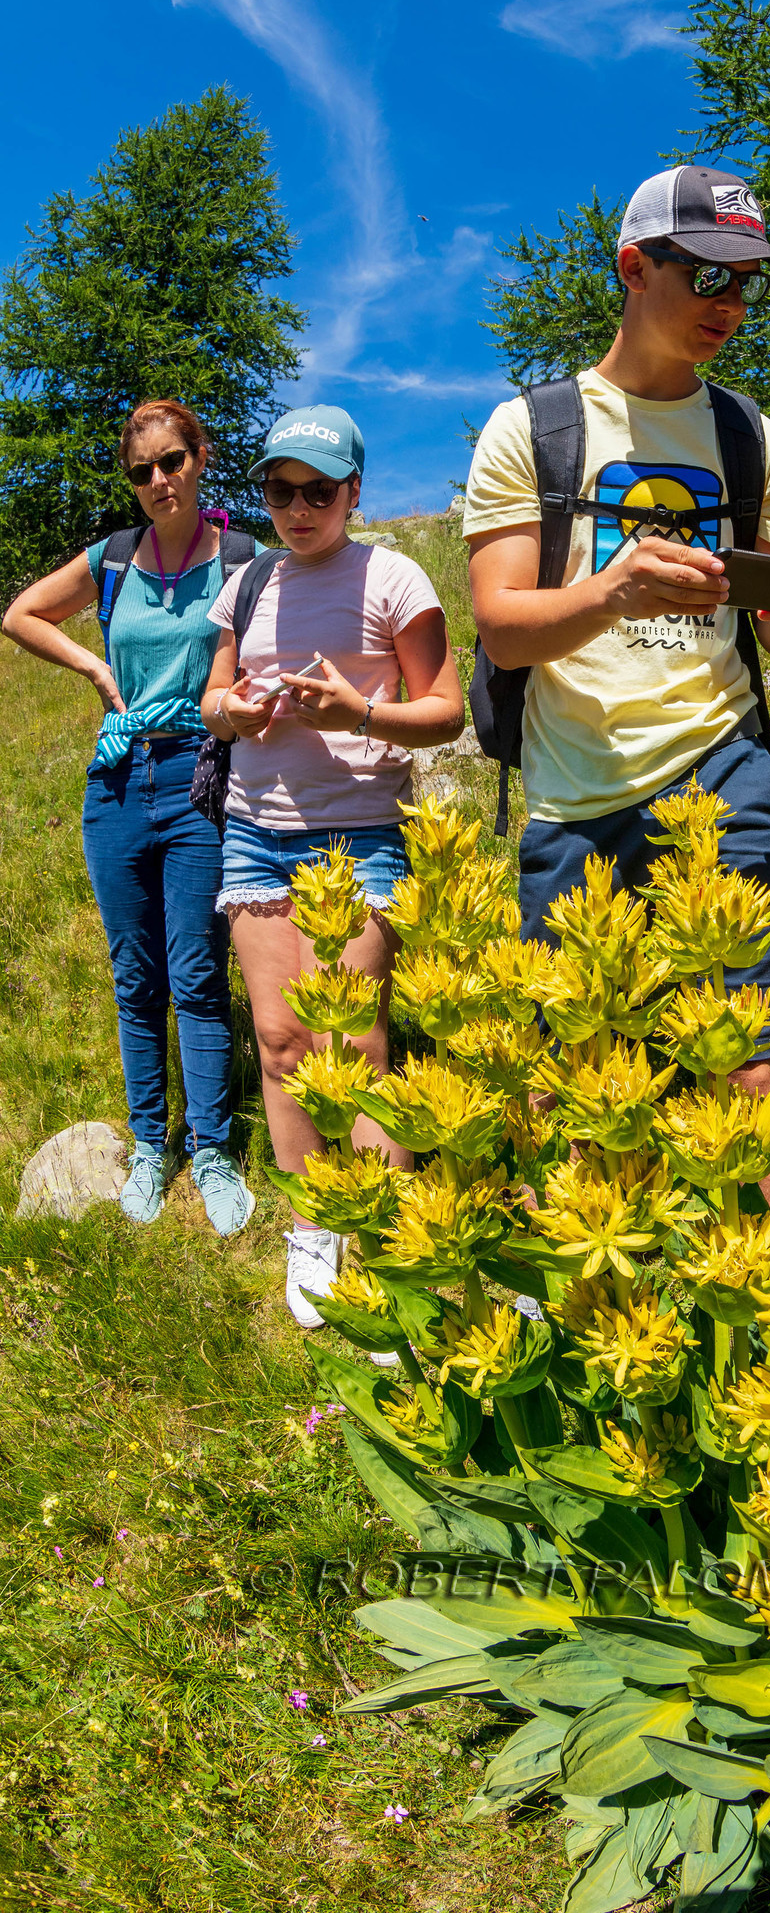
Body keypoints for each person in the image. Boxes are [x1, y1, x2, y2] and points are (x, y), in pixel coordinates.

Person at [464, 166, 770, 1176]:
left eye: (746, 282)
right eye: (706, 274)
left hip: (723, 767)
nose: (728, 303)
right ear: (634, 267)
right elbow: (503, 628)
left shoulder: (752, 439)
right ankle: (576, 1294)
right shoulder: (532, 429)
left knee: (754, 1061)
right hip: (573, 792)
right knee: (574, 1071)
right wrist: (613, 591)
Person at [201, 404, 465, 1324]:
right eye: (281, 489)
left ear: (356, 491)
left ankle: (387, 1233)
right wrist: (238, 712)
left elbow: (445, 710)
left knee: (351, 1043)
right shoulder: (247, 583)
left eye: (320, 490)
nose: (299, 506)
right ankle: (315, 1231)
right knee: (279, 1043)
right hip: (255, 829)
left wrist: (354, 714)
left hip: (358, 834)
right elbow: (213, 700)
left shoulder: (394, 576)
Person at [2, 399, 262, 1233]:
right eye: (142, 470)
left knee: (195, 972)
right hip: (116, 780)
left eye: (172, 462)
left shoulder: (245, 559)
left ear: (199, 457)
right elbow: (20, 614)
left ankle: (212, 1146)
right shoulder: (114, 559)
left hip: (200, 779)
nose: (158, 481)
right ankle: (152, 1145)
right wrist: (92, 667)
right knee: (133, 976)